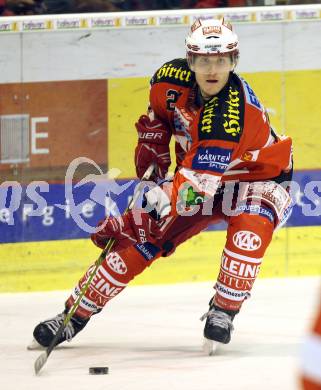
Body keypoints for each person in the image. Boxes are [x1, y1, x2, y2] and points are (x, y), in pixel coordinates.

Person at [29, 17, 293, 352]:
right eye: (204, 60)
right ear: (190, 60)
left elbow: (192, 192)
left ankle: (224, 310)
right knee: (138, 245)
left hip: (259, 176)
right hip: (197, 173)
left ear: (234, 61)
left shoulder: (228, 116)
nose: (213, 70)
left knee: (248, 233)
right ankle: (72, 315)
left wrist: (133, 221)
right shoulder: (168, 79)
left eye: (222, 61)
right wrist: (153, 155)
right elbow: (158, 121)